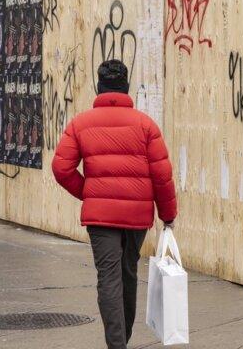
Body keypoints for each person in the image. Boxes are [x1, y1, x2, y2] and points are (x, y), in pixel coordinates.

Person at [52, 60, 177, 349]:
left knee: (108, 277)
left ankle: (117, 345)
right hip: (136, 215)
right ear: (126, 86)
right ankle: (123, 339)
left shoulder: (80, 123)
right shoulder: (146, 125)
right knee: (128, 273)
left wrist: (90, 192)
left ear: (99, 86)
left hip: (101, 218)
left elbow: (61, 168)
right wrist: (168, 215)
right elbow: (162, 175)